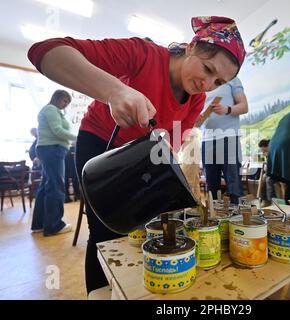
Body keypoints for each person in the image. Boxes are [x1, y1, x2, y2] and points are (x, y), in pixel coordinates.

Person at [28, 16, 246, 293]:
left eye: (218, 82)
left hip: (141, 157)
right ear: (192, 46)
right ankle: (100, 294)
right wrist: (114, 91)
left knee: (143, 227)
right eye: (207, 69)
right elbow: (46, 52)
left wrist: (168, 155)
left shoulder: (197, 99)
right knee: (107, 234)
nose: (208, 83)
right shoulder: (142, 54)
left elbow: (173, 143)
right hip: (100, 145)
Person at [30, 90, 77, 236]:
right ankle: (53, 225)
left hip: (49, 149)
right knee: (56, 187)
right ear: (57, 98)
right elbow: (57, 131)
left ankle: (39, 224)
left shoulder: (51, 110)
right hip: (53, 149)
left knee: (47, 186)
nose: (65, 105)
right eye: (64, 101)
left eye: (68, 103)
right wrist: (78, 137)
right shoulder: (51, 109)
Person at [201, 76, 248, 204]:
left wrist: (227, 109)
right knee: (211, 187)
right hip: (207, 139)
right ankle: (214, 221)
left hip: (229, 137)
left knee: (234, 186)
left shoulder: (231, 79)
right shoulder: (202, 81)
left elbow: (244, 106)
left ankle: (238, 220)